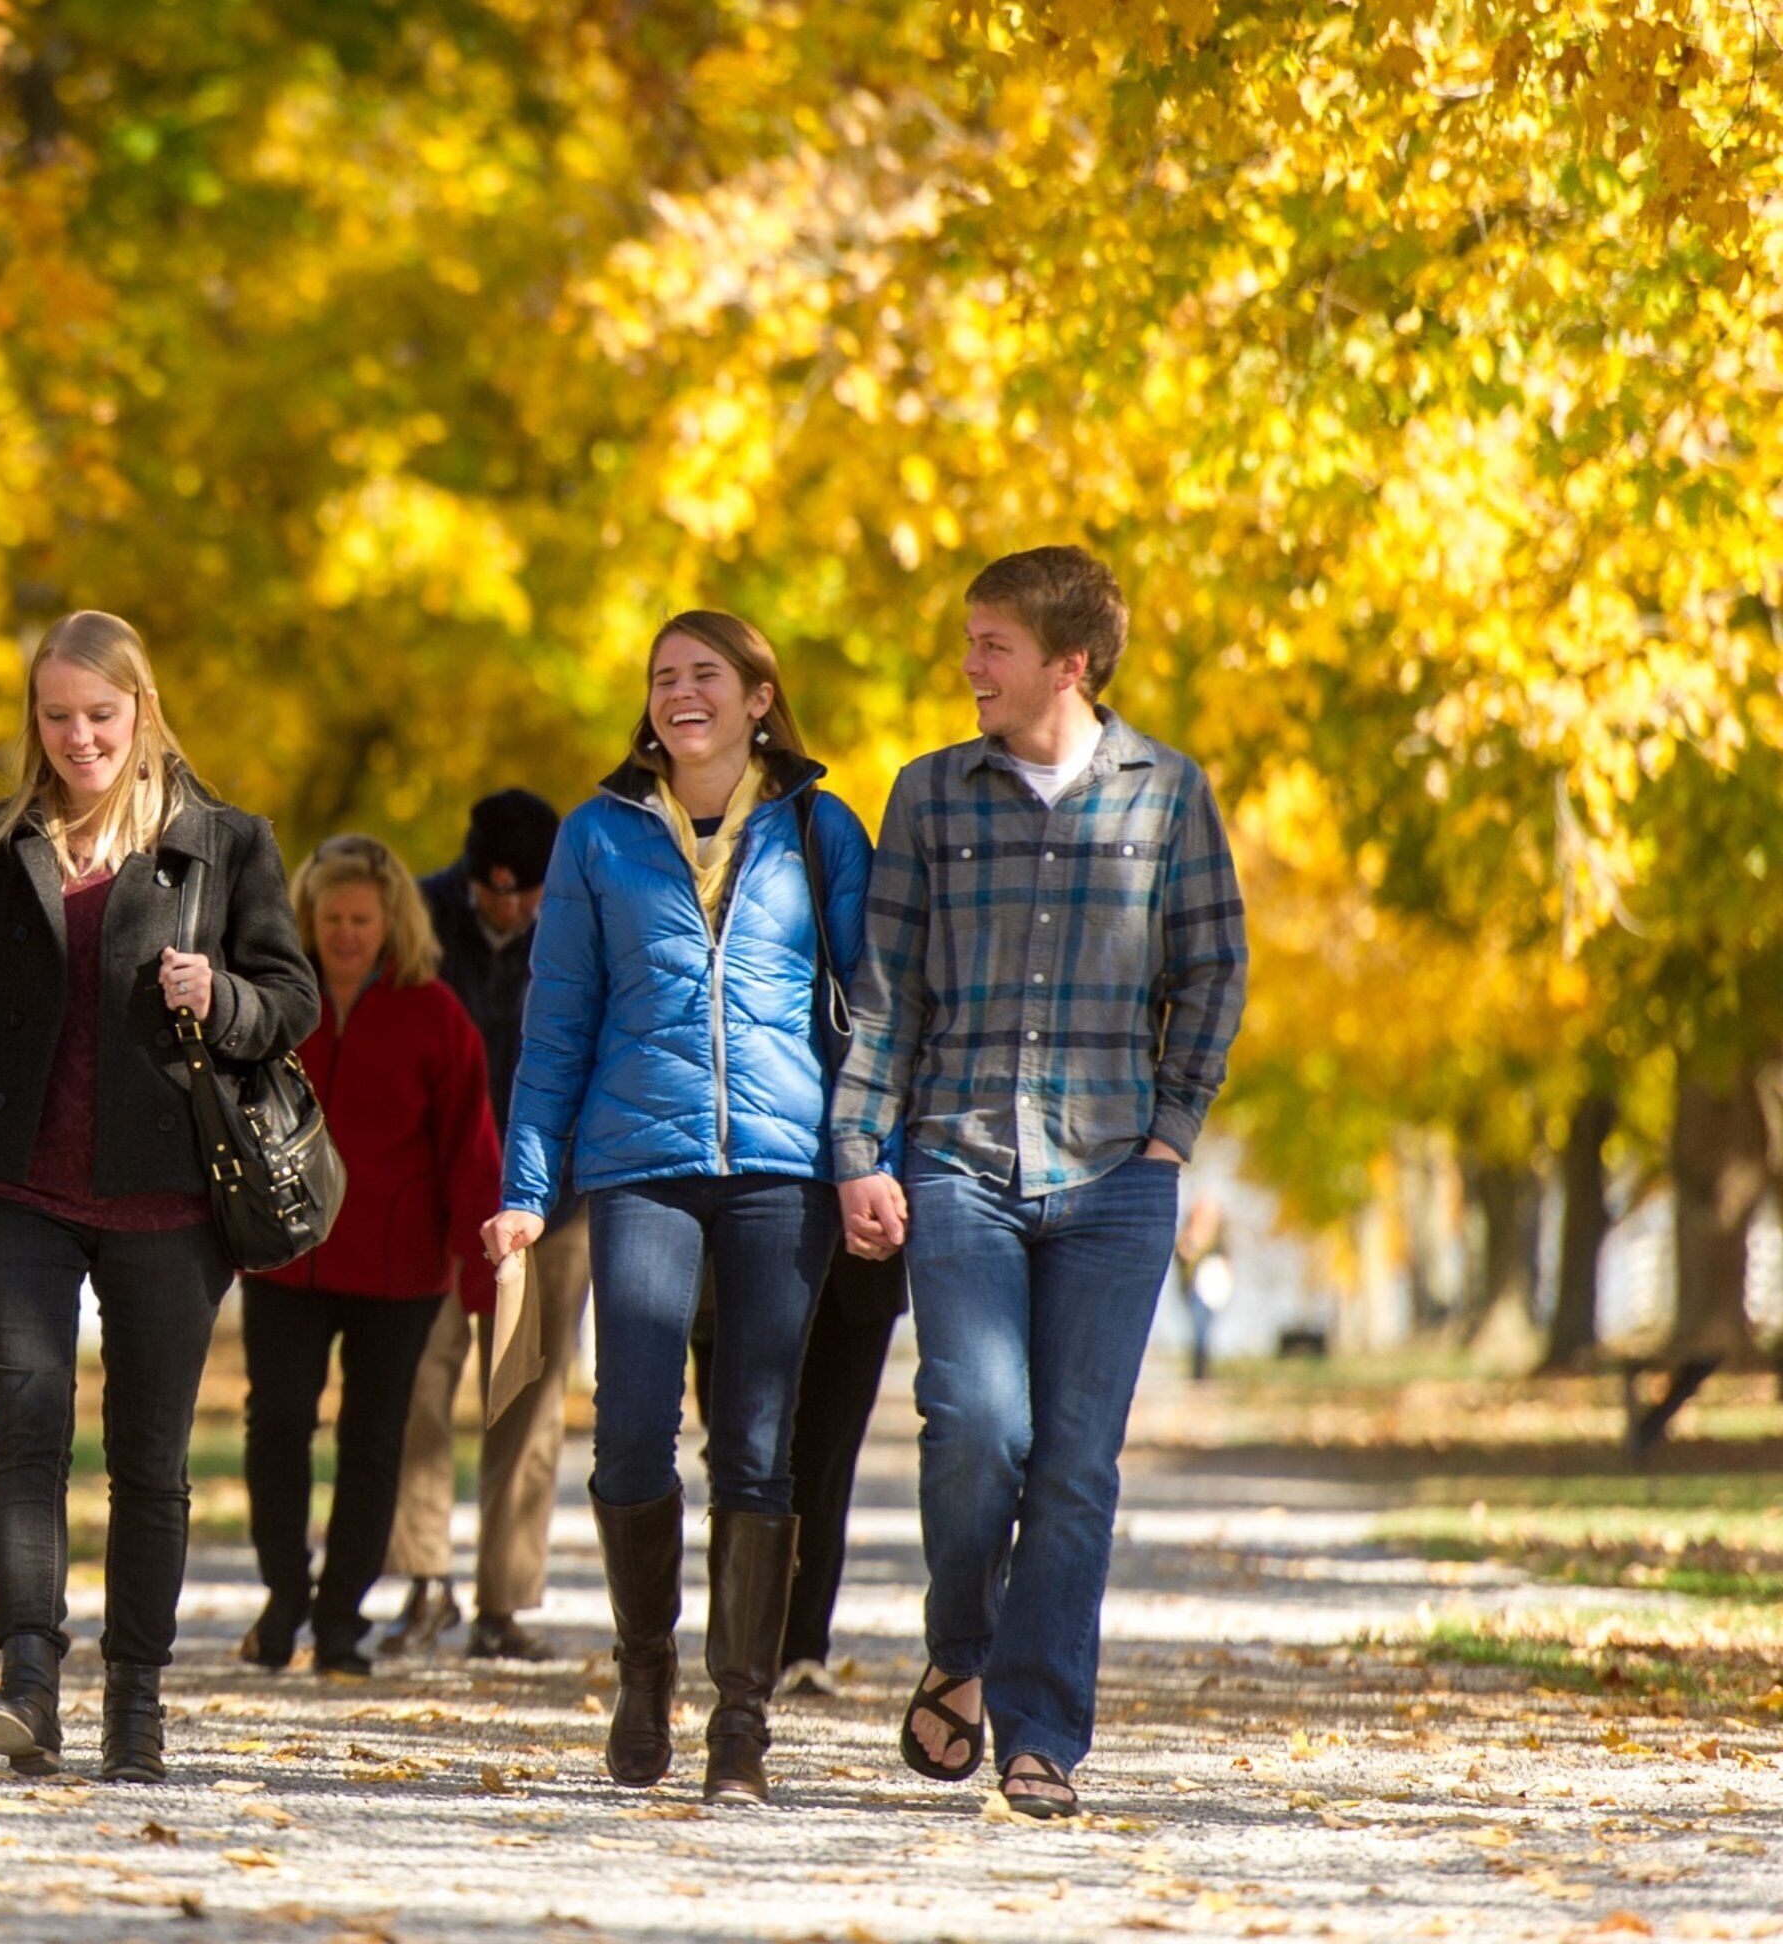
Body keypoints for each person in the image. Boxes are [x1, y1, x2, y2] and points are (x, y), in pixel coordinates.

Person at [834, 545, 1246, 1821]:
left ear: (1069, 664)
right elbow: (885, 992)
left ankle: (1041, 1736)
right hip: (959, 1157)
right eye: (970, 641)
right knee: (974, 1427)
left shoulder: (1168, 795)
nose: (968, 665)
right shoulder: (929, 795)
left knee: (1074, 1466)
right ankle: (963, 1646)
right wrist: (859, 1149)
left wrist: (1172, 1129)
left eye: (991, 645)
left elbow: (1213, 970)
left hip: (1117, 1176)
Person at [487, 610, 870, 1804]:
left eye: (706, 674)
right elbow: (557, 1024)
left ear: (760, 698)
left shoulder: (821, 829)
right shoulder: (598, 834)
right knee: (631, 1431)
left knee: (757, 1441)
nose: (680, 693)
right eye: (663, 676)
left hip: (783, 1168)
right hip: (639, 1163)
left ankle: (741, 1721)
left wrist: (872, 1159)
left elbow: (869, 1014)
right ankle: (644, 1669)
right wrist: (526, 1190)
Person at [0, 612, 315, 1780]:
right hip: (16, 1188)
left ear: (142, 710)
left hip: (170, 1196)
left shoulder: (226, 843)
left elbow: (292, 999)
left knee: (150, 1462)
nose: (79, 738)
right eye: (57, 716)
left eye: (100, 715)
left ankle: (135, 1703)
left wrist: (225, 997)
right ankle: (28, 1682)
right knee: (26, 1435)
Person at [241, 834, 501, 1679]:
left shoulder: (436, 1015)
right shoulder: (273, 1007)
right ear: (306, 919)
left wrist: (480, 1272)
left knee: (375, 1440)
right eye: (332, 919)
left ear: (393, 922)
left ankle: (341, 1621)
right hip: (287, 1258)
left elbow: (470, 1147)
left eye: (362, 920)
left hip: (399, 1270)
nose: (347, 934)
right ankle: (285, 1597)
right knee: (278, 1424)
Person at [390, 789, 574, 1660]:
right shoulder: (417, 919)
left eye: (523, 893)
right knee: (417, 1385)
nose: (507, 908)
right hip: (431, 1193)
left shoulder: (578, 919)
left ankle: (502, 1600)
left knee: (527, 1395)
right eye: (492, 891)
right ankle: (423, 1579)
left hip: (556, 1199)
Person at [771, 1243, 905, 1696]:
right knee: (742, 1454)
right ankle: (744, 1643)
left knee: (825, 1463)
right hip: (739, 1256)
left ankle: (802, 1645)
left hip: (860, 1266)